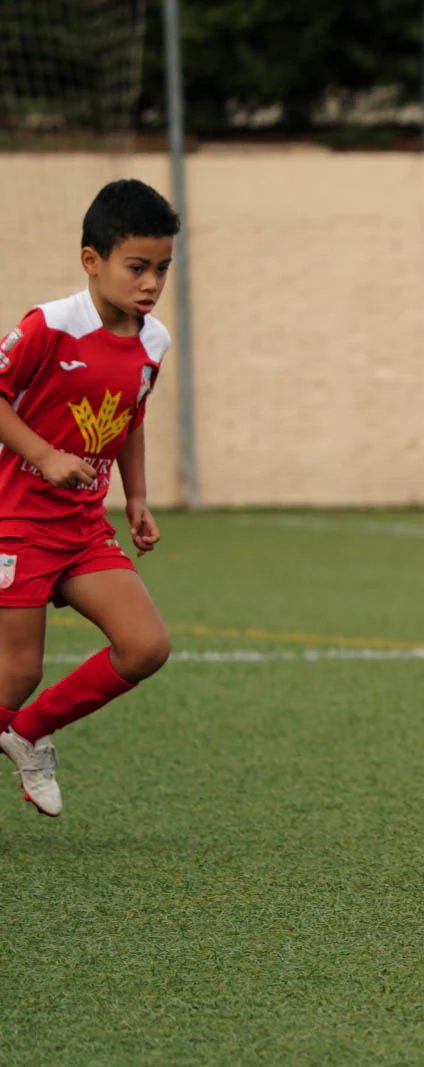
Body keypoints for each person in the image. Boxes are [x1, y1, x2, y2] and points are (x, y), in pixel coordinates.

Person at [0, 178, 178, 817]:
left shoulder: (152, 342)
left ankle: (26, 733)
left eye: (161, 269)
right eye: (137, 267)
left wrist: (137, 499)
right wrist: (44, 455)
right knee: (16, 672)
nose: (151, 283)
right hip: (17, 521)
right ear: (91, 261)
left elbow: (128, 419)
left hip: (83, 527)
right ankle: (17, 718)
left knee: (146, 646)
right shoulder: (49, 324)